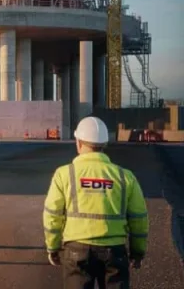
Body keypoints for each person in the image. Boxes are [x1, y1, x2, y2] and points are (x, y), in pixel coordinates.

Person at [43, 116, 148, 288]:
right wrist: (138, 252)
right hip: (115, 251)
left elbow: (52, 215)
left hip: (76, 250)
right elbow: (139, 218)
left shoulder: (64, 174)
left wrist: (53, 247)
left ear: (78, 143)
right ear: (104, 145)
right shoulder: (125, 176)